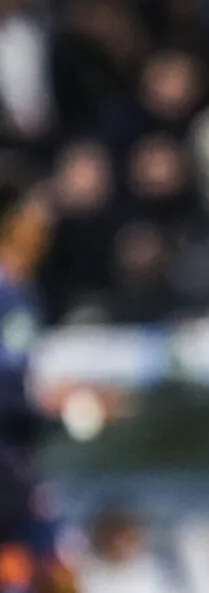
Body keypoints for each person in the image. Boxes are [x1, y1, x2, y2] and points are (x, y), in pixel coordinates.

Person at [0, 164, 74, 593]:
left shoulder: (25, 292)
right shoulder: (9, 295)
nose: (47, 225)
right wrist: (54, 404)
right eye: (37, 213)